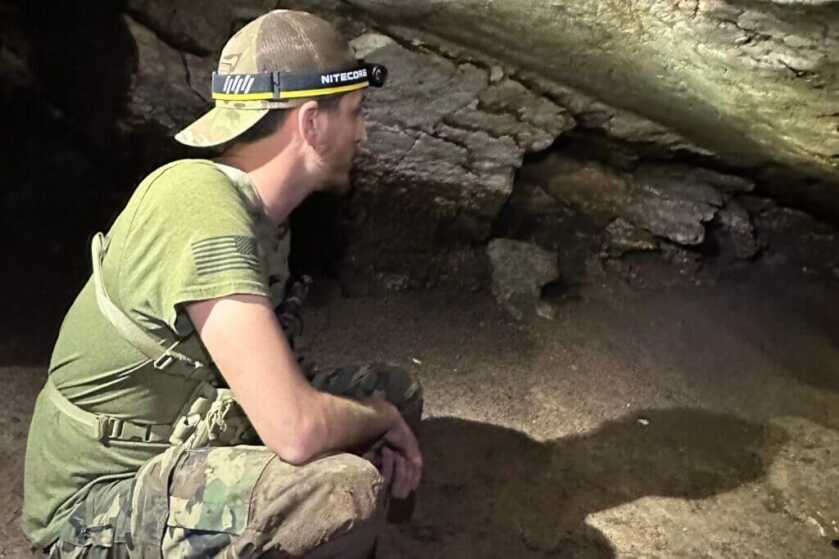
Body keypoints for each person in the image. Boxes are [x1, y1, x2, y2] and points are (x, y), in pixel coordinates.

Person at [22, 9, 423, 558]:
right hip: (97, 505)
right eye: (355, 113)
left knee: (394, 391)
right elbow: (295, 429)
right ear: (311, 123)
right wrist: (376, 422)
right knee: (338, 489)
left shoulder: (262, 222)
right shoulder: (199, 202)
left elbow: (267, 384)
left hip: (183, 437)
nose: (364, 131)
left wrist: (378, 413)